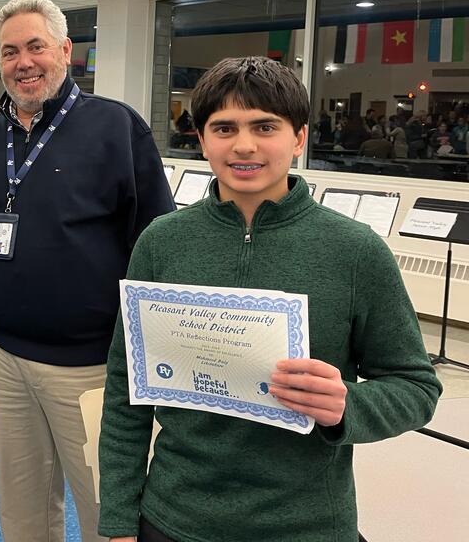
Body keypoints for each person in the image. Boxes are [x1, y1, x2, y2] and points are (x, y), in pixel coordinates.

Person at [98, 56, 441, 542]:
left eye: (265, 127)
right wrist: (118, 519)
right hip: (173, 516)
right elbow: (125, 390)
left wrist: (348, 405)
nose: (244, 145)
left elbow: (416, 387)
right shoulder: (161, 242)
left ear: (298, 138)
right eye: (224, 128)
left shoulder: (355, 251)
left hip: (306, 526)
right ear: (202, 140)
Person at [0, 0, 174, 542]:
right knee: (21, 513)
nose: (23, 62)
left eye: (36, 47)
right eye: (9, 52)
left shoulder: (117, 128)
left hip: (92, 367)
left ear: (66, 51)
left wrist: (150, 357)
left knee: (108, 517)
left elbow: (157, 250)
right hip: (5, 357)